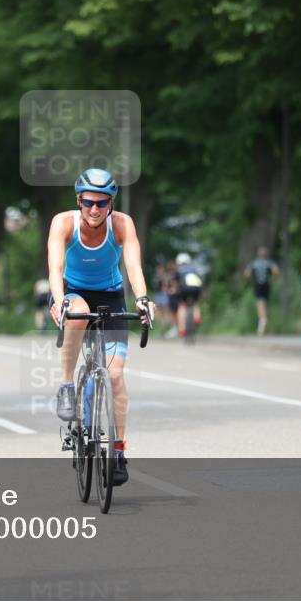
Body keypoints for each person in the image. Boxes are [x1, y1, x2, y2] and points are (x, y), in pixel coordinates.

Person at [48, 168, 153, 487]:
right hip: (74, 291)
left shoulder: (122, 224)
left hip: (111, 295)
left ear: (111, 203)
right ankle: (67, 386)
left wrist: (143, 299)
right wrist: (59, 300)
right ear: (79, 200)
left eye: (103, 202)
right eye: (89, 202)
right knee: (78, 311)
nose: (95, 209)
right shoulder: (63, 223)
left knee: (116, 375)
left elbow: (133, 266)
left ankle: (119, 450)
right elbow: (55, 268)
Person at [244, 246, 280, 335]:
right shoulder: (268, 262)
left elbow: (247, 273)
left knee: (260, 306)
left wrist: (252, 279)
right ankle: (264, 327)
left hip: (258, 285)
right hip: (266, 285)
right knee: (265, 305)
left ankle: (261, 327)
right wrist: (274, 279)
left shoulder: (254, 263)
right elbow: (276, 270)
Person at [173, 252, 203, 337]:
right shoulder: (194, 269)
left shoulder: (179, 271)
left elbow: (176, 283)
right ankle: (197, 318)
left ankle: (182, 330)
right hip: (196, 288)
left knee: (182, 306)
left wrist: (175, 291)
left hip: (184, 288)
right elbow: (199, 280)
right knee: (195, 303)